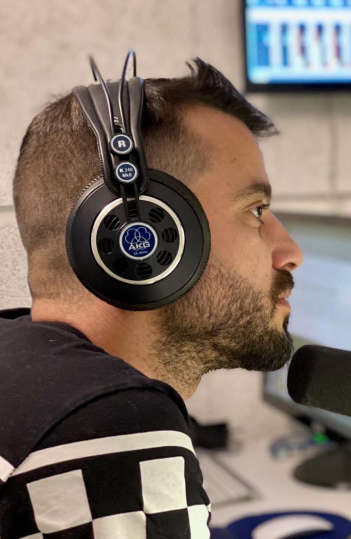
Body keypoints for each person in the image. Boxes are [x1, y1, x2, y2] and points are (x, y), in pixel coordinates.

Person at [0, 56, 303, 537]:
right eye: (256, 210)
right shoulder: (109, 426)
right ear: (144, 235)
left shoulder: (20, 367)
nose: (291, 254)